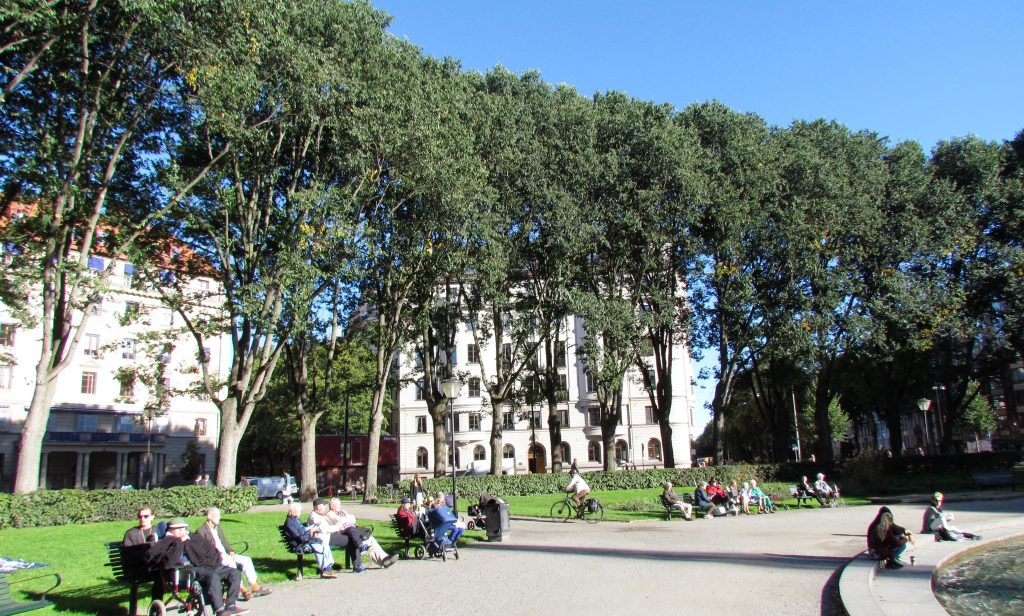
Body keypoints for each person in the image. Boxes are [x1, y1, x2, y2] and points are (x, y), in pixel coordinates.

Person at [146, 518, 247, 615]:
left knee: (234, 572)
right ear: (170, 530)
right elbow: (170, 561)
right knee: (213, 576)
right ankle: (220, 610)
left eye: (183, 528)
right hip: (184, 570)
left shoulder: (192, 537)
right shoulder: (167, 541)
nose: (182, 531)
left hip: (203, 565)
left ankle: (231, 605)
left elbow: (207, 550)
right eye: (178, 529)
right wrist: (180, 542)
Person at [195, 507, 271, 600]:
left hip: (225, 555)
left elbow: (224, 543)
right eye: (217, 515)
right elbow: (204, 550)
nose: (219, 517)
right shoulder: (201, 531)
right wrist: (221, 555)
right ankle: (243, 590)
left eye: (220, 515)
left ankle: (255, 587)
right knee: (231, 564)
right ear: (209, 516)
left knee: (246, 560)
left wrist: (230, 552)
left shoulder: (218, 528)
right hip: (215, 558)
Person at [327, 498, 399, 568]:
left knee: (370, 539)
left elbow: (353, 518)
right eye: (338, 505)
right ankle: (378, 557)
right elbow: (340, 521)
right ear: (332, 506)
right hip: (344, 533)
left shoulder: (343, 512)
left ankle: (384, 559)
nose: (340, 506)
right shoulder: (330, 514)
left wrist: (346, 519)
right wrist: (347, 519)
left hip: (352, 530)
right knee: (364, 539)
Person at [308, 498, 365, 573]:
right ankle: (357, 564)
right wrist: (336, 527)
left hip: (329, 535)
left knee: (352, 538)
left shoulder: (320, 515)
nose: (325, 507)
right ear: (318, 507)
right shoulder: (314, 517)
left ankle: (357, 564)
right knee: (351, 539)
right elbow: (324, 529)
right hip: (324, 538)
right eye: (323, 506)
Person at [283, 502, 336, 578]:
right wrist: (311, 531)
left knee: (324, 543)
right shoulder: (290, 523)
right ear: (294, 511)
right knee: (319, 546)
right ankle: (325, 570)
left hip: (305, 540)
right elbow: (300, 538)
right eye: (299, 511)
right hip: (299, 544)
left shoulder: (295, 519)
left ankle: (327, 569)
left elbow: (302, 530)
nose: (300, 513)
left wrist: (312, 527)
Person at [122, 506, 164, 602]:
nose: (142, 519)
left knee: (164, 572)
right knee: (160, 574)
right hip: (138, 568)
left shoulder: (157, 531)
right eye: (140, 517)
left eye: (146, 516)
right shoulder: (131, 533)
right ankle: (156, 606)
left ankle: (157, 605)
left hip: (154, 567)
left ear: (152, 517)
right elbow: (128, 555)